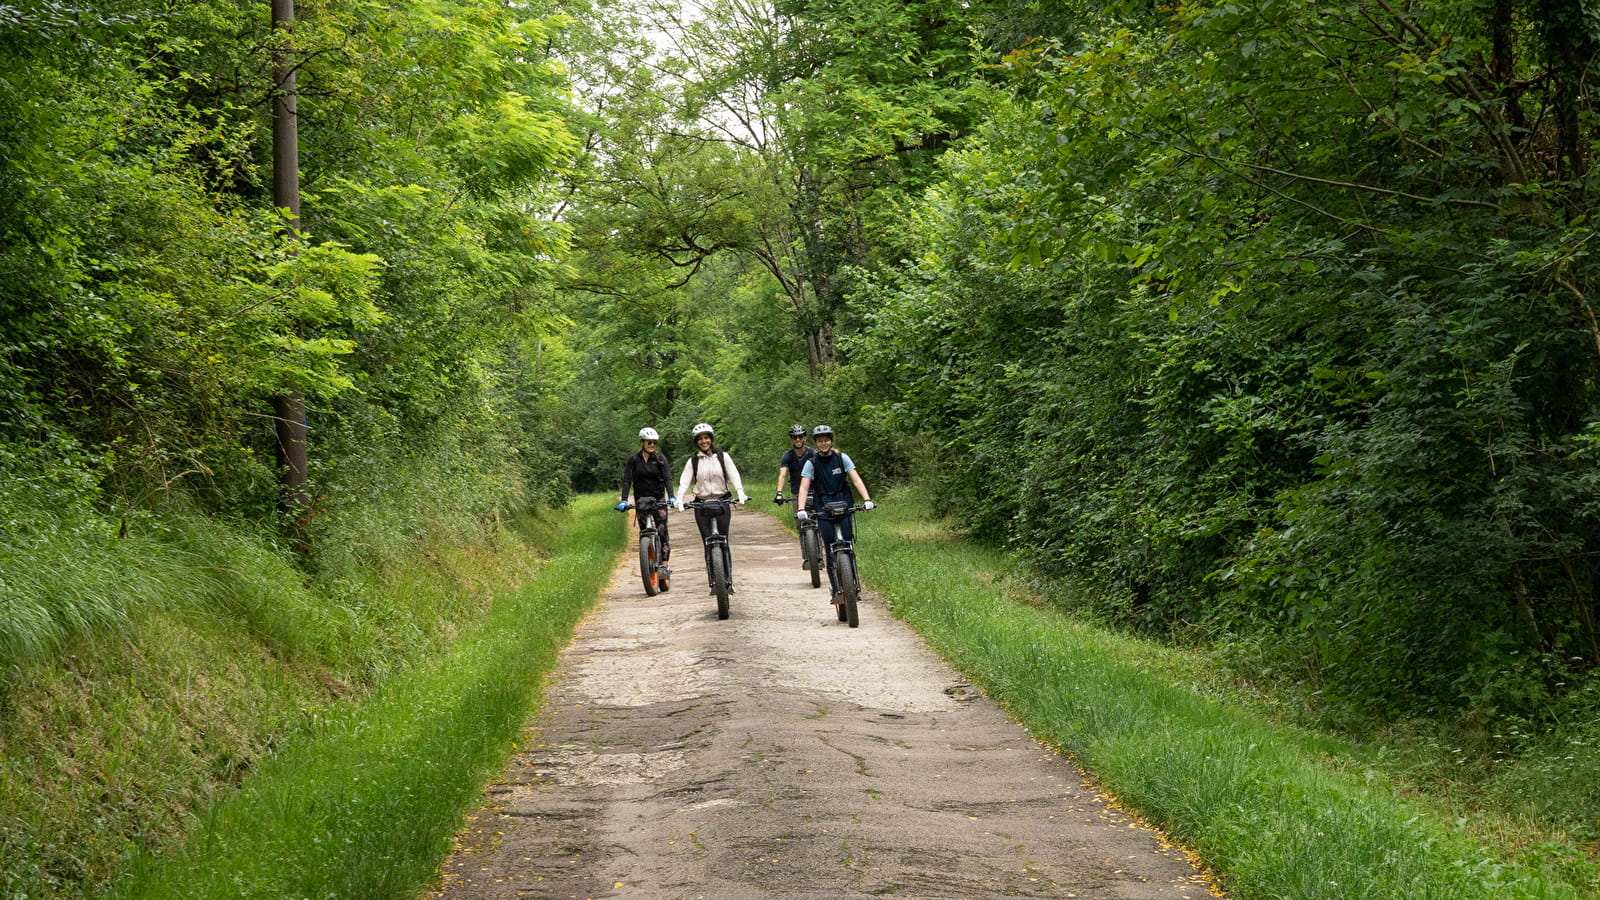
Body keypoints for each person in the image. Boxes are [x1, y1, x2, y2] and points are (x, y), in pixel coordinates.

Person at [794, 424, 874, 603]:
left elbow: (855, 479)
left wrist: (867, 499)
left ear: (832, 441)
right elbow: (804, 487)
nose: (824, 443)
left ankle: (853, 586)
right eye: (820, 441)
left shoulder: (841, 458)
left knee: (847, 545)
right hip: (823, 508)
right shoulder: (811, 462)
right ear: (815, 443)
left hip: (844, 504)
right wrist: (801, 509)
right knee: (831, 549)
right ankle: (836, 589)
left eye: (827, 440)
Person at [675, 422, 749, 593]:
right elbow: (684, 481)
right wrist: (679, 499)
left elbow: (734, 475)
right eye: (700, 439)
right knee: (708, 543)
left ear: (711, 439)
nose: (704, 441)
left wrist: (741, 493)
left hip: (722, 502)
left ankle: (728, 580)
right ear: (696, 442)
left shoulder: (723, 457)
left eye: (706, 438)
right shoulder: (693, 461)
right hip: (701, 505)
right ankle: (713, 581)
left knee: (723, 541)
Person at [616, 427, 674, 564]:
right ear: (642, 442)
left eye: (654, 442)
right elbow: (627, 480)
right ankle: (648, 563)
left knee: (662, 530)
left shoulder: (660, 459)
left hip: (658, 499)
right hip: (641, 500)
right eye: (649, 442)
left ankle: (664, 565)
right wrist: (624, 500)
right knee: (644, 532)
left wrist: (671, 496)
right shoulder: (633, 460)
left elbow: (668, 478)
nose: (652, 445)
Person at [774, 424, 816, 568]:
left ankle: (821, 557)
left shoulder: (812, 453)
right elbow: (783, 474)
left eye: (800, 436)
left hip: (815, 492)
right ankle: (807, 558)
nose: (798, 439)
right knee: (801, 526)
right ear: (791, 439)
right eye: (794, 437)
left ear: (805, 438)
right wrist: (779, 493)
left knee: (820, 524)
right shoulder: (788, 456)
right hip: (797, 494)